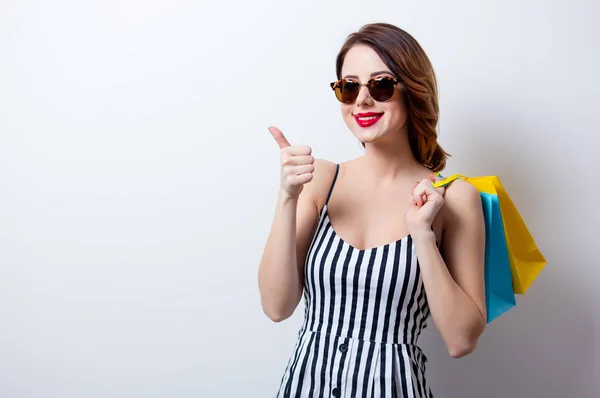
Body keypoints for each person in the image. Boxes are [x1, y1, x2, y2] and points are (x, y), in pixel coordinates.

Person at [258, 22, 487, 398]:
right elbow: (276, 306)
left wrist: (423, 237)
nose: (362, 100)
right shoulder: (321, 181)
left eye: (380, 85)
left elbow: (461, 340)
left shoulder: (455, 197)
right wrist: (287, 197)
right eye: (349, 87)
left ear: (412, 91)